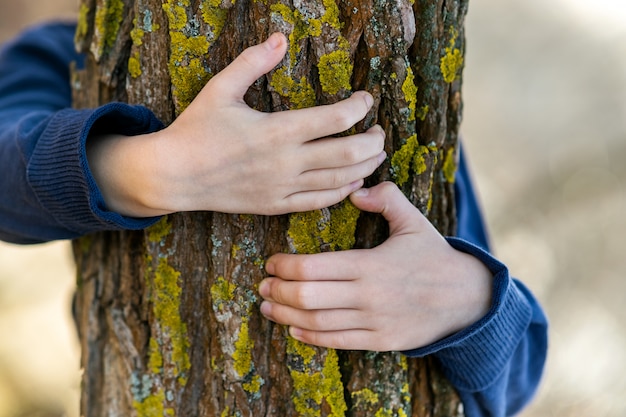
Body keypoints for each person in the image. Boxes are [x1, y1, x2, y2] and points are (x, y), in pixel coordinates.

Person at [0, 22, 547, 417]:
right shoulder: (82, 53)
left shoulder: (413, 103)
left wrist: (466, 299)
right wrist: (152, 172)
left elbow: (515, 376)